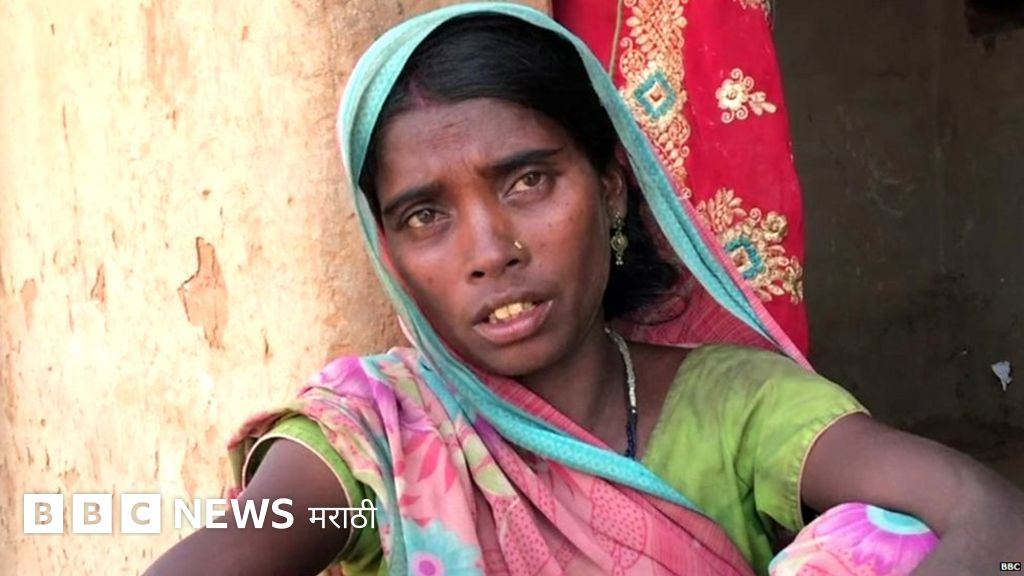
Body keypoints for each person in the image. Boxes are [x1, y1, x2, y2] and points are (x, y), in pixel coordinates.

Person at [144, 4, 1024, 575]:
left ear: (610, 186)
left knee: (885, 540)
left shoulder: (734, 406)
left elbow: (988, 516)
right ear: (389, 253)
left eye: (528, 181)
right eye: (425, 216)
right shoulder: (376, 431)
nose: (490, 251)